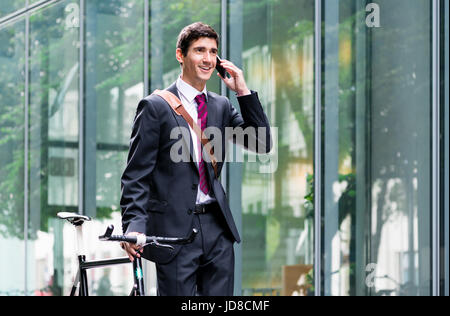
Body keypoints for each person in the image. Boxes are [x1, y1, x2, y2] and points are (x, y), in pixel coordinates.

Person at [120, 22, 272, 296]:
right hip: (175, 231)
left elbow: (261, 143)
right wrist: (133, 225)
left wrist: (242, 91)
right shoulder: (155, 107)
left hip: (217, 229)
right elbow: (136, 175)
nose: (207, 59)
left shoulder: (221, 106)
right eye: (199, 50)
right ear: (181, 55)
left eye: (213, 52)